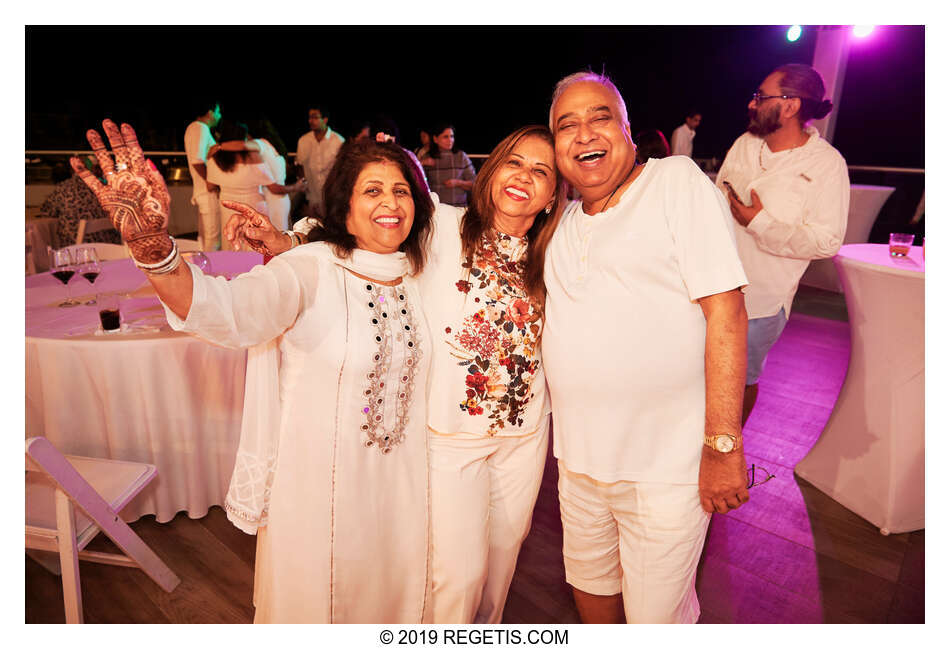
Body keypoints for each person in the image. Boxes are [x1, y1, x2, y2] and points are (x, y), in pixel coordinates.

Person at [70, 120, 435, 623]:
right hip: (319, 493)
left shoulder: (423, 275)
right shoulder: (308, 270)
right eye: (372, 190)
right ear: (346, 211)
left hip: (402, 487)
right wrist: (155, 249)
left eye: (401, 190)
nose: (390, 203)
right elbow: (228, 311)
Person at [224, 126, 564, 624]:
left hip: (523, 437)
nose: (524, 177)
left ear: (554, 194)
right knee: (457, 574)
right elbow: (362, 225)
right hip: (450, 437)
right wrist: (288, 238)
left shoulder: (554, 249)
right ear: (489, 172)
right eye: (514, 162)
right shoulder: (442, 226)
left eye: (541, 171)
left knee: (502, 562)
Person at [542, 71, 749, 624]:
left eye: (599, 117)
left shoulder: (675, 183)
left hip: (666, 469)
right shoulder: (562, 223)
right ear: (556, 147)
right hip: (579, 465)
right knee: (590, 588)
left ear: (629, 132)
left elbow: (726, 310)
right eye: (567, 125)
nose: (584, 133)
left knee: (656, 618)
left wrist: (723, 446)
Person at [715, 63, 849, 425]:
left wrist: (758, 222)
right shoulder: (745, 145)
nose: (751, 103)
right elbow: (716, 202)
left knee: (739, 383)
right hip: (711, 289)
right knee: (697, 379)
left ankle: (728, 452)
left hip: (761, 300)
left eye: (761, 96)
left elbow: (827, 240)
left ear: (790, 105)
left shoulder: (826, 165)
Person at [206, 120, 303, 247]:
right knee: (253, 244)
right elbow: (273, 187)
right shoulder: (253, 157)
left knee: (231, 240)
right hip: (252, 204)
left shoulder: (214, 158)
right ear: (243, 138)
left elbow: (210, 186)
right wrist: (297, 186)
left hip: (227, 205)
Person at [42, 156, 120, 248]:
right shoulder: (104, 188)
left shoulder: (63, 188)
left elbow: (48, 211)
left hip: (77, 248)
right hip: (111, 245)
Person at [184, 99, 222, 250]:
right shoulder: (199, 128)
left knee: (208, 238)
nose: (219, 116)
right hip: (207, 192)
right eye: (218, 112)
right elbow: (197, 161)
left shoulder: (196, 128)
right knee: (213, 240)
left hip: (205, 192)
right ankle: (211, 272)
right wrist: (210, 182)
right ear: (210, 112)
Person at [295, 105, 345, 219]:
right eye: (309, 117)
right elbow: (299, 165)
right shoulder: (303, 141)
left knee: (332, 229)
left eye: (315, 117)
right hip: (312, 196)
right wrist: (303, 184)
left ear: (325, 119)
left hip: (332, 197)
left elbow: (342, 169)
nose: (310, 121)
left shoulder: (338, 141)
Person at [420, 122, 476, 208]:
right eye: (445, 137)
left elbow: (475, 184)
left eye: (452, 136)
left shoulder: (461, 157)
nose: (450, 140)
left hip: (459, 209)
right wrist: (422, 163)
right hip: (436, 209)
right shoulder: (427, 158)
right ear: (435, 139)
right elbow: (417, 184)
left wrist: (458, 183)